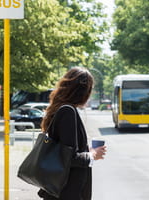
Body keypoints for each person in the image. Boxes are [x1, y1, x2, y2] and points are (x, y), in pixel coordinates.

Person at [38, 67, 107, 200]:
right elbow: (69, 157)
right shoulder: (68, 112)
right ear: (83, 91)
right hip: (67, 192)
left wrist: (89, 151)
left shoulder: (61, 109)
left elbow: (65, 150)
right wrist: (92, 155)